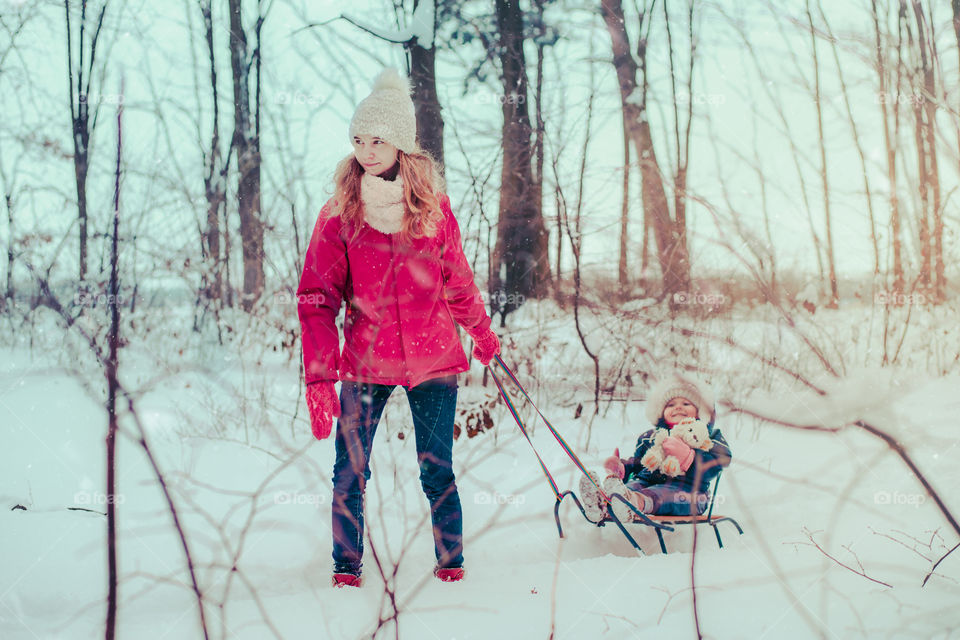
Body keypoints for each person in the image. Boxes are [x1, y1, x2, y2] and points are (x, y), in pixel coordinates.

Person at [296, 68, 500, 588]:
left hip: (434, 361)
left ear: (403, 144)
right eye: (358, 140)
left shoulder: (432, 211)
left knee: (437, 470)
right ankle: (346, 570)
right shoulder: (340, 214)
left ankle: (451, 565)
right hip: (366, 364)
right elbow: (318, 298)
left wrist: (480, 331)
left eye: (378, 140)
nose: (365, 150)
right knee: (350, 472)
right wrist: (320, 375)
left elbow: (457, 280)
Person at [579, 373, 732, 523]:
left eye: (686, 404)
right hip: (647, 482)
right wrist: (623, 468)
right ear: (661, 412)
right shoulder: (650, 437)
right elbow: (639, 463)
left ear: (700, 412)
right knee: (632, 486)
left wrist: (689, 458)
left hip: (690, 491)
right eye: (671, 405)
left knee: (661, 495)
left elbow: (720, 459)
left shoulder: (707, 437)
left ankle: (633, 504)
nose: (678, 407)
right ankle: (602, 504)